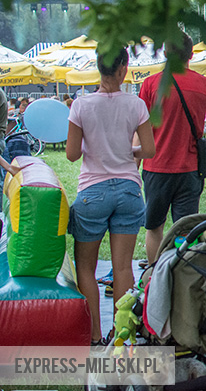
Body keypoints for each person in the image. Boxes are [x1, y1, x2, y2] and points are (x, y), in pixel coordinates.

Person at [66, 48, 156, 345]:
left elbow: (71, 154)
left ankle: (94, 337)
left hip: (92, 192)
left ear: (98, 67)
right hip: (129, 191)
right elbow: (149, 150)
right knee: (123, 267)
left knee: (86, 268)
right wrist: (126, 150)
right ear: (124, 69)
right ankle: (121, 336)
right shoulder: (136, 104)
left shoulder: (81, 105)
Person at [139, 33, 206, 265]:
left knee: (154, 228)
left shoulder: (150, 85)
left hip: (155, 168)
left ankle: (154, 275)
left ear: (165, 53)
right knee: (186, 230)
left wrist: (133, 169)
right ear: (191, 55)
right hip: (190, 170)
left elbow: (140, 129)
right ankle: (183, 273)